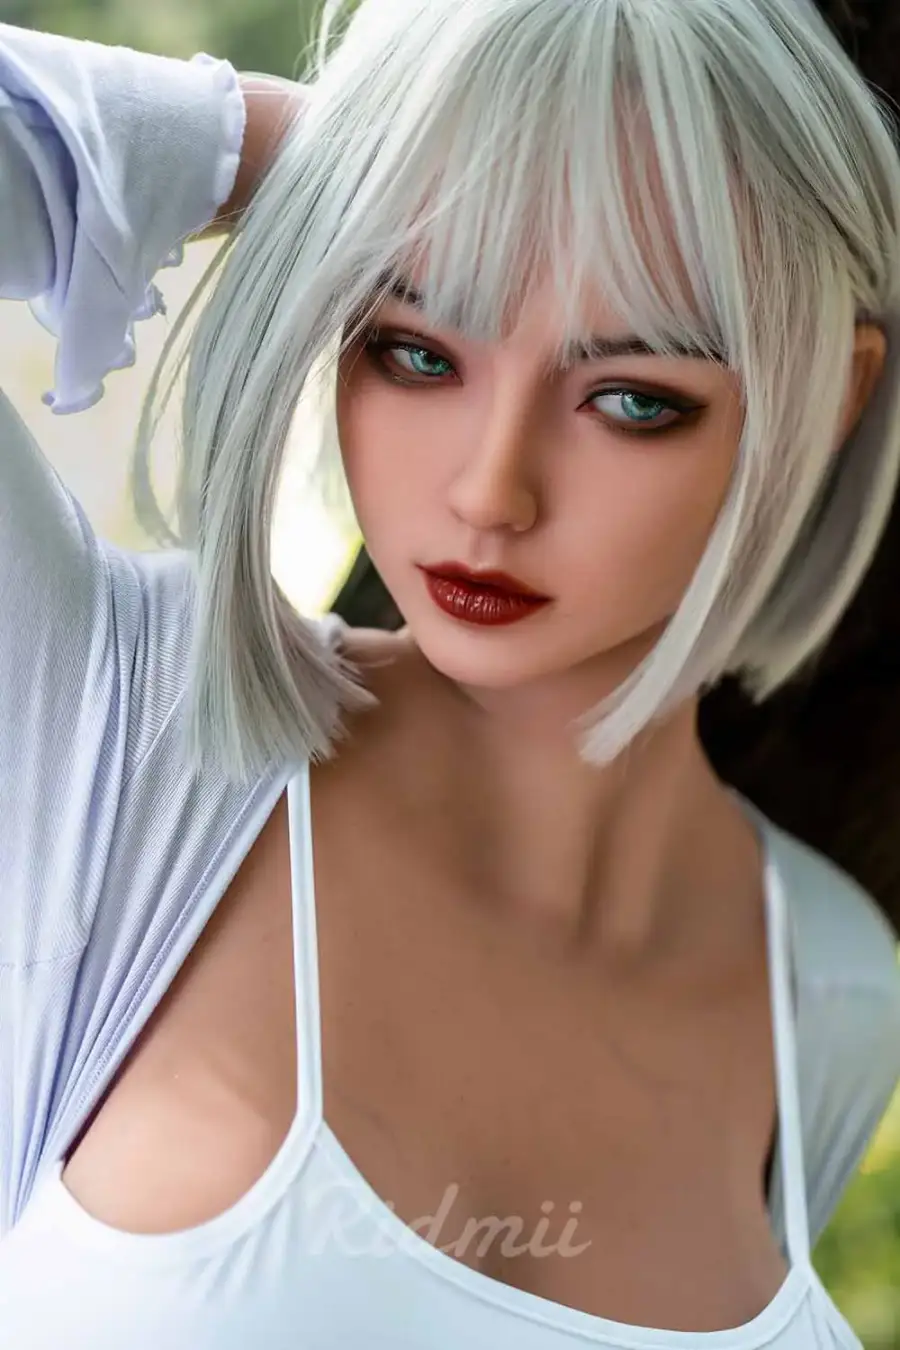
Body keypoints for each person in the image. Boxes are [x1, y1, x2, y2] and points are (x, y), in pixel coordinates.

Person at [0, 3, 899, 1347]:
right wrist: (314, 158)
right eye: (417, 352)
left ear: (828, 395)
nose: (490, 492)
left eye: (632, 398)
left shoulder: (832, 986)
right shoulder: (114, 717)